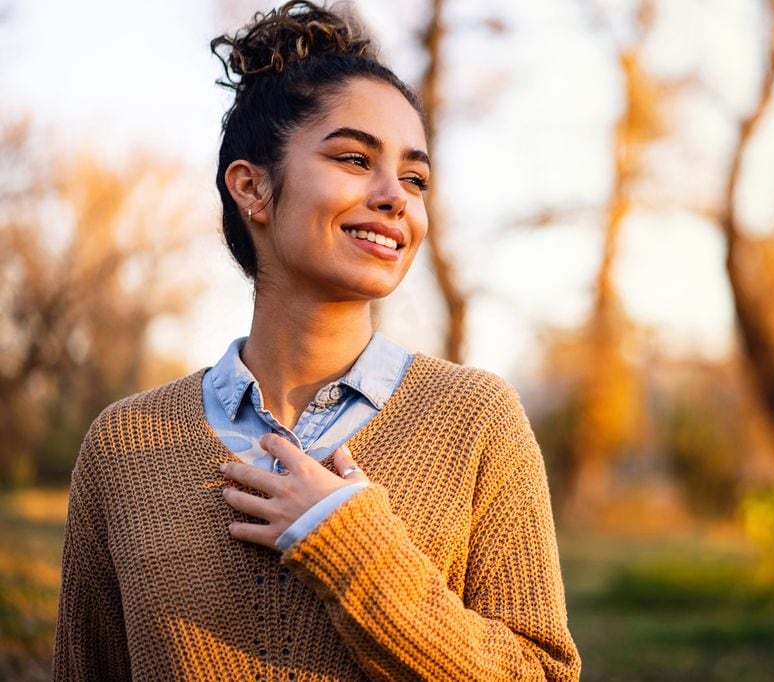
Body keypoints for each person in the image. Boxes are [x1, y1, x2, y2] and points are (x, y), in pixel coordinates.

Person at [52, 2, 581, 679]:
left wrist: (348, 544)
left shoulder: (477, 422)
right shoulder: (122, 447)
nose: (396, 197)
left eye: (415, 178)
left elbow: (543, 674)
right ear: (253, 188)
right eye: (355, 158)